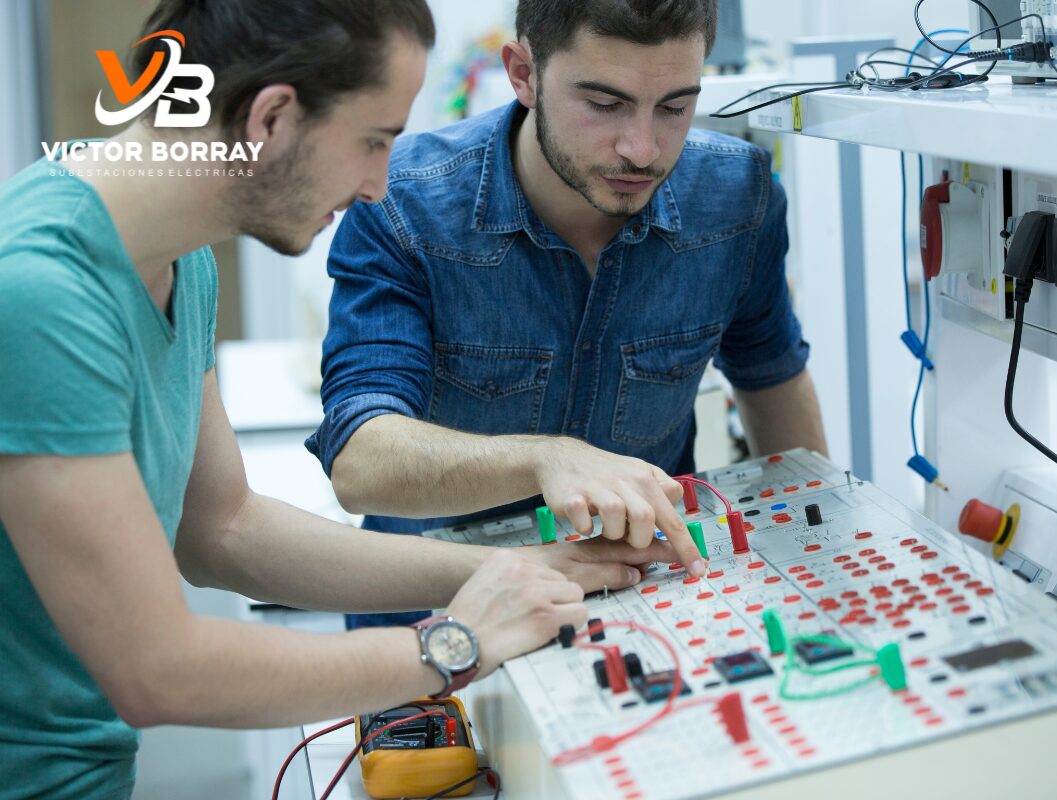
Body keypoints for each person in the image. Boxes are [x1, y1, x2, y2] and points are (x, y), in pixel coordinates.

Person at [0, 2, 676, 798]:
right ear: (274, 117)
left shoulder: (176, 257)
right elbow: (159, 671)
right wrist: (454, 644)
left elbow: (222, 530)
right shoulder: (40, 291)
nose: (377, 185)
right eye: (374, 139)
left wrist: (521, 571)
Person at [308, 0, 830, 628]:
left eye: (674, 107)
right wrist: (546, 458)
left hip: (654, 605)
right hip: (439, 618)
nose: (642, 149)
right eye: (604, 104)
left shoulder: (737, 199)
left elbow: (773, 381)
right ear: (524, 73)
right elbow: (361, 459)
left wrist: (817, 577)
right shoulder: (404, 206)